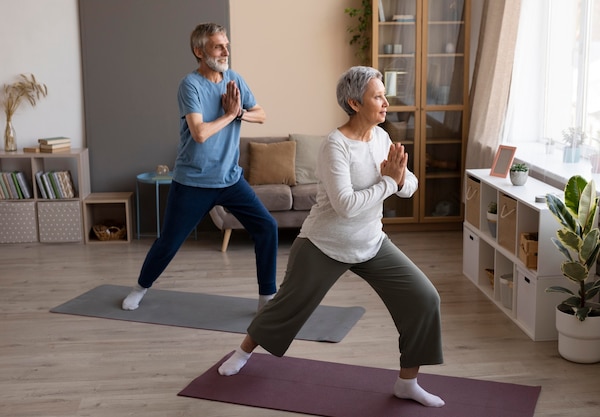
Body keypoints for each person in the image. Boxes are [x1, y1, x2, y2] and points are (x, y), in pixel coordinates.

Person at [218, 66, 445, 408]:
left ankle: (407, 382)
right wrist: (388, 182)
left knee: (424, 299)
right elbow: (346, 207)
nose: (385, 103)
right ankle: (243, 352)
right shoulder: (334, 145)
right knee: (286, 306)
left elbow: (409, 185)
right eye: (378, 96)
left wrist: (398, 179)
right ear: (355, 103)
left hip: (371, 242)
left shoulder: (382, 138)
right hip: (324, 243)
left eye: (384, 95)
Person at [122, 22, 277, 311]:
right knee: (168, 243)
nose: (225, 51)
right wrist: (231, 115)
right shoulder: (189, 85)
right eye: (218, 46)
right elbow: (200, 133)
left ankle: (266, 297)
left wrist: (239, 112)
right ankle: (140, 288)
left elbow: (262, 114)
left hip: (230, 180)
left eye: (226, 45)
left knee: (267, 228)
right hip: (193, 181)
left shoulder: (235, 79)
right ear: (199, 50)